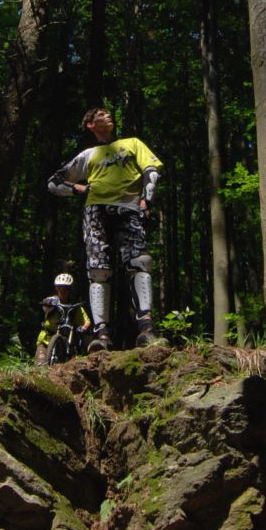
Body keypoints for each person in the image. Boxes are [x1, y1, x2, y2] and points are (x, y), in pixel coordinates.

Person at [48, 105, 162, 349]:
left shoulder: (132, 143)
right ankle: (102, 335)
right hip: (95, 211)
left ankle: (147, 327)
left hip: (129, 208)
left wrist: (146, 200)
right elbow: (54, 183)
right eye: (100, 115)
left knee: (140, 262)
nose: (107, 115)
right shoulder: (88, 155)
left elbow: (151, 171)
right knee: (98, 270)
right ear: (90, 125)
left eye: (108, 113)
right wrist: (79, 188)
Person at [34, 269, 91, 366]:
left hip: (67, 343)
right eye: (60, 288)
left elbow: (86, 321)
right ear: (56, 288)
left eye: (66, 288)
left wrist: (83, 328)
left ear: (70, 289)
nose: (62, 291)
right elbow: (45, 306)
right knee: (40, 366)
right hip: (46, 341)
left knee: (70, 366)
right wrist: (47, 304)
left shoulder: (75, 306)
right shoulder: (52, 301)